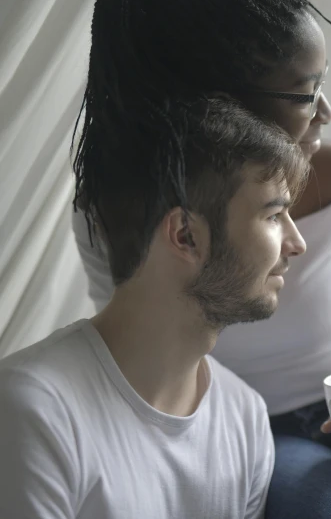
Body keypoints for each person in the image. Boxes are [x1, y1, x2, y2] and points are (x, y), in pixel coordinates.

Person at [72, 0, 331, 517]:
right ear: (224, 104)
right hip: (261, 429)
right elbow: (141, 350)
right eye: (305, 93)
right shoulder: (122, 222)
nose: (327, 112)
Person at [0, 96, 309, 518]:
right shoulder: (34, 409)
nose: (297, 243)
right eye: (274, 215)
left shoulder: (246, 419)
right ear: (185, 235)